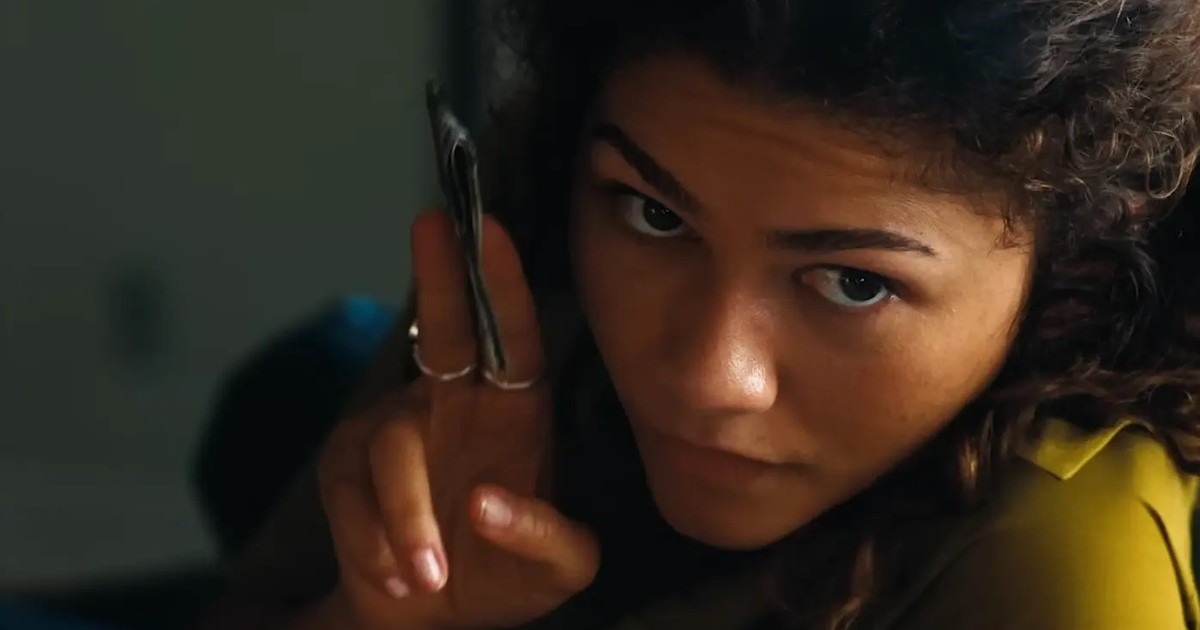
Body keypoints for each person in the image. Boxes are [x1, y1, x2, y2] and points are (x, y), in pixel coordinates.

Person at [202, 0, 1200, 628]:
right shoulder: (543, 228)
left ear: (1069, 278)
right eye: (656, 217)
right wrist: (387, 615)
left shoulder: (1066, 569)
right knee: (290, 387)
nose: (706, 377)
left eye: (853, 282)